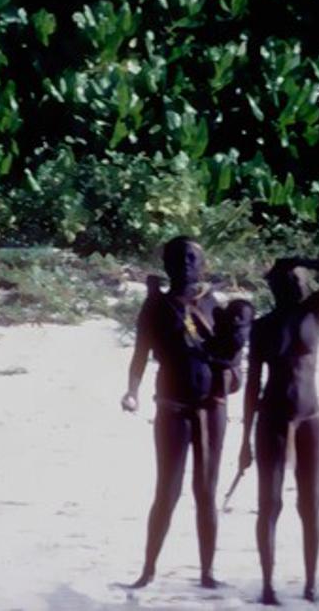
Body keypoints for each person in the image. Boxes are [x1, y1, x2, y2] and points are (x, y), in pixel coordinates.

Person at [238, 257, 319, 605]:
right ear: (273, 288)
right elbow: (252, 385)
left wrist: (301, 260)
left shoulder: (313, 313)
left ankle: (310, 583)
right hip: (270, 419)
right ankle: (268, 585)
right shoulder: (262, 327)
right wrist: (244, 441)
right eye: (282, 282)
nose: (290, 286)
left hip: (309, 420)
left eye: (295, 280)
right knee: (269, 504)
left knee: (310, 504)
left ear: (304, 283)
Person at [120, 236, 234, 589]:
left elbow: (235, 351)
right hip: (171, 408)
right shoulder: (155, 307)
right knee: (167, 491)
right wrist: (132, 391)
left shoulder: (215, 304)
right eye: (176, 258)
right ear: (166, 264)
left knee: (206, 491)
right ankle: (149, 569)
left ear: (202, 264)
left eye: (190, 257)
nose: (184, 263)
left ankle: (207, 572)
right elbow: (140, 353)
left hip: (211, 408)